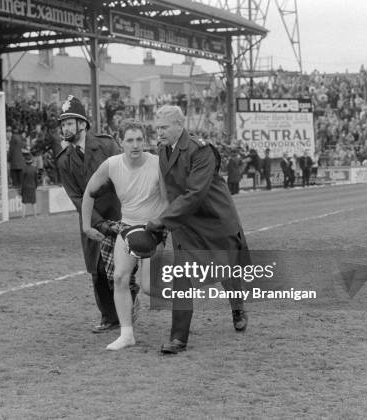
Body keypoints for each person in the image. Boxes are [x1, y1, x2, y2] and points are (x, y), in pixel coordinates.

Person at [147, 105, 250, 355]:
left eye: (164, 127)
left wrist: (162, 221)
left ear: (179, 125)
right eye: (157, 127)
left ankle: (237, 307)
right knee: (181, 277)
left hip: (214, 219)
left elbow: (195, 193)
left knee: (226, 269)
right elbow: (170, 191)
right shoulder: (163, 150)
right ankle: (178, 337)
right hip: (185, 223)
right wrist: (164, 222)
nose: (158, 132)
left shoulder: (201, 150)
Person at [81, 119, 168, 350]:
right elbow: (88, 193)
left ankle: (183, 301)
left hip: (153, 230)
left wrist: (165, 227)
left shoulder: (157, 164)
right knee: (119, 278)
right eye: (130, 140)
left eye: (139, 139)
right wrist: (86, 226)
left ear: (145, 141)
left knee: (150, 287)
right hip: (126, 228)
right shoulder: (111, 165)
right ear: (121, 142)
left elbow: (169, 201)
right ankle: (127, 334)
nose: (135, 145)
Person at [56, 95, 138, 333]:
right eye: (63, 124)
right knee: (98, 269)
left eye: (69, 123)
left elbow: (126, 172)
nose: (65, 128)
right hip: (92, 221)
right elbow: (77, 197)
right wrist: (98, 224)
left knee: (125, 268)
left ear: (82, 124)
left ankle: (130, 305)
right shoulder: (64, 160)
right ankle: (109, 317)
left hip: (120, 213)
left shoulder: (106, 145)